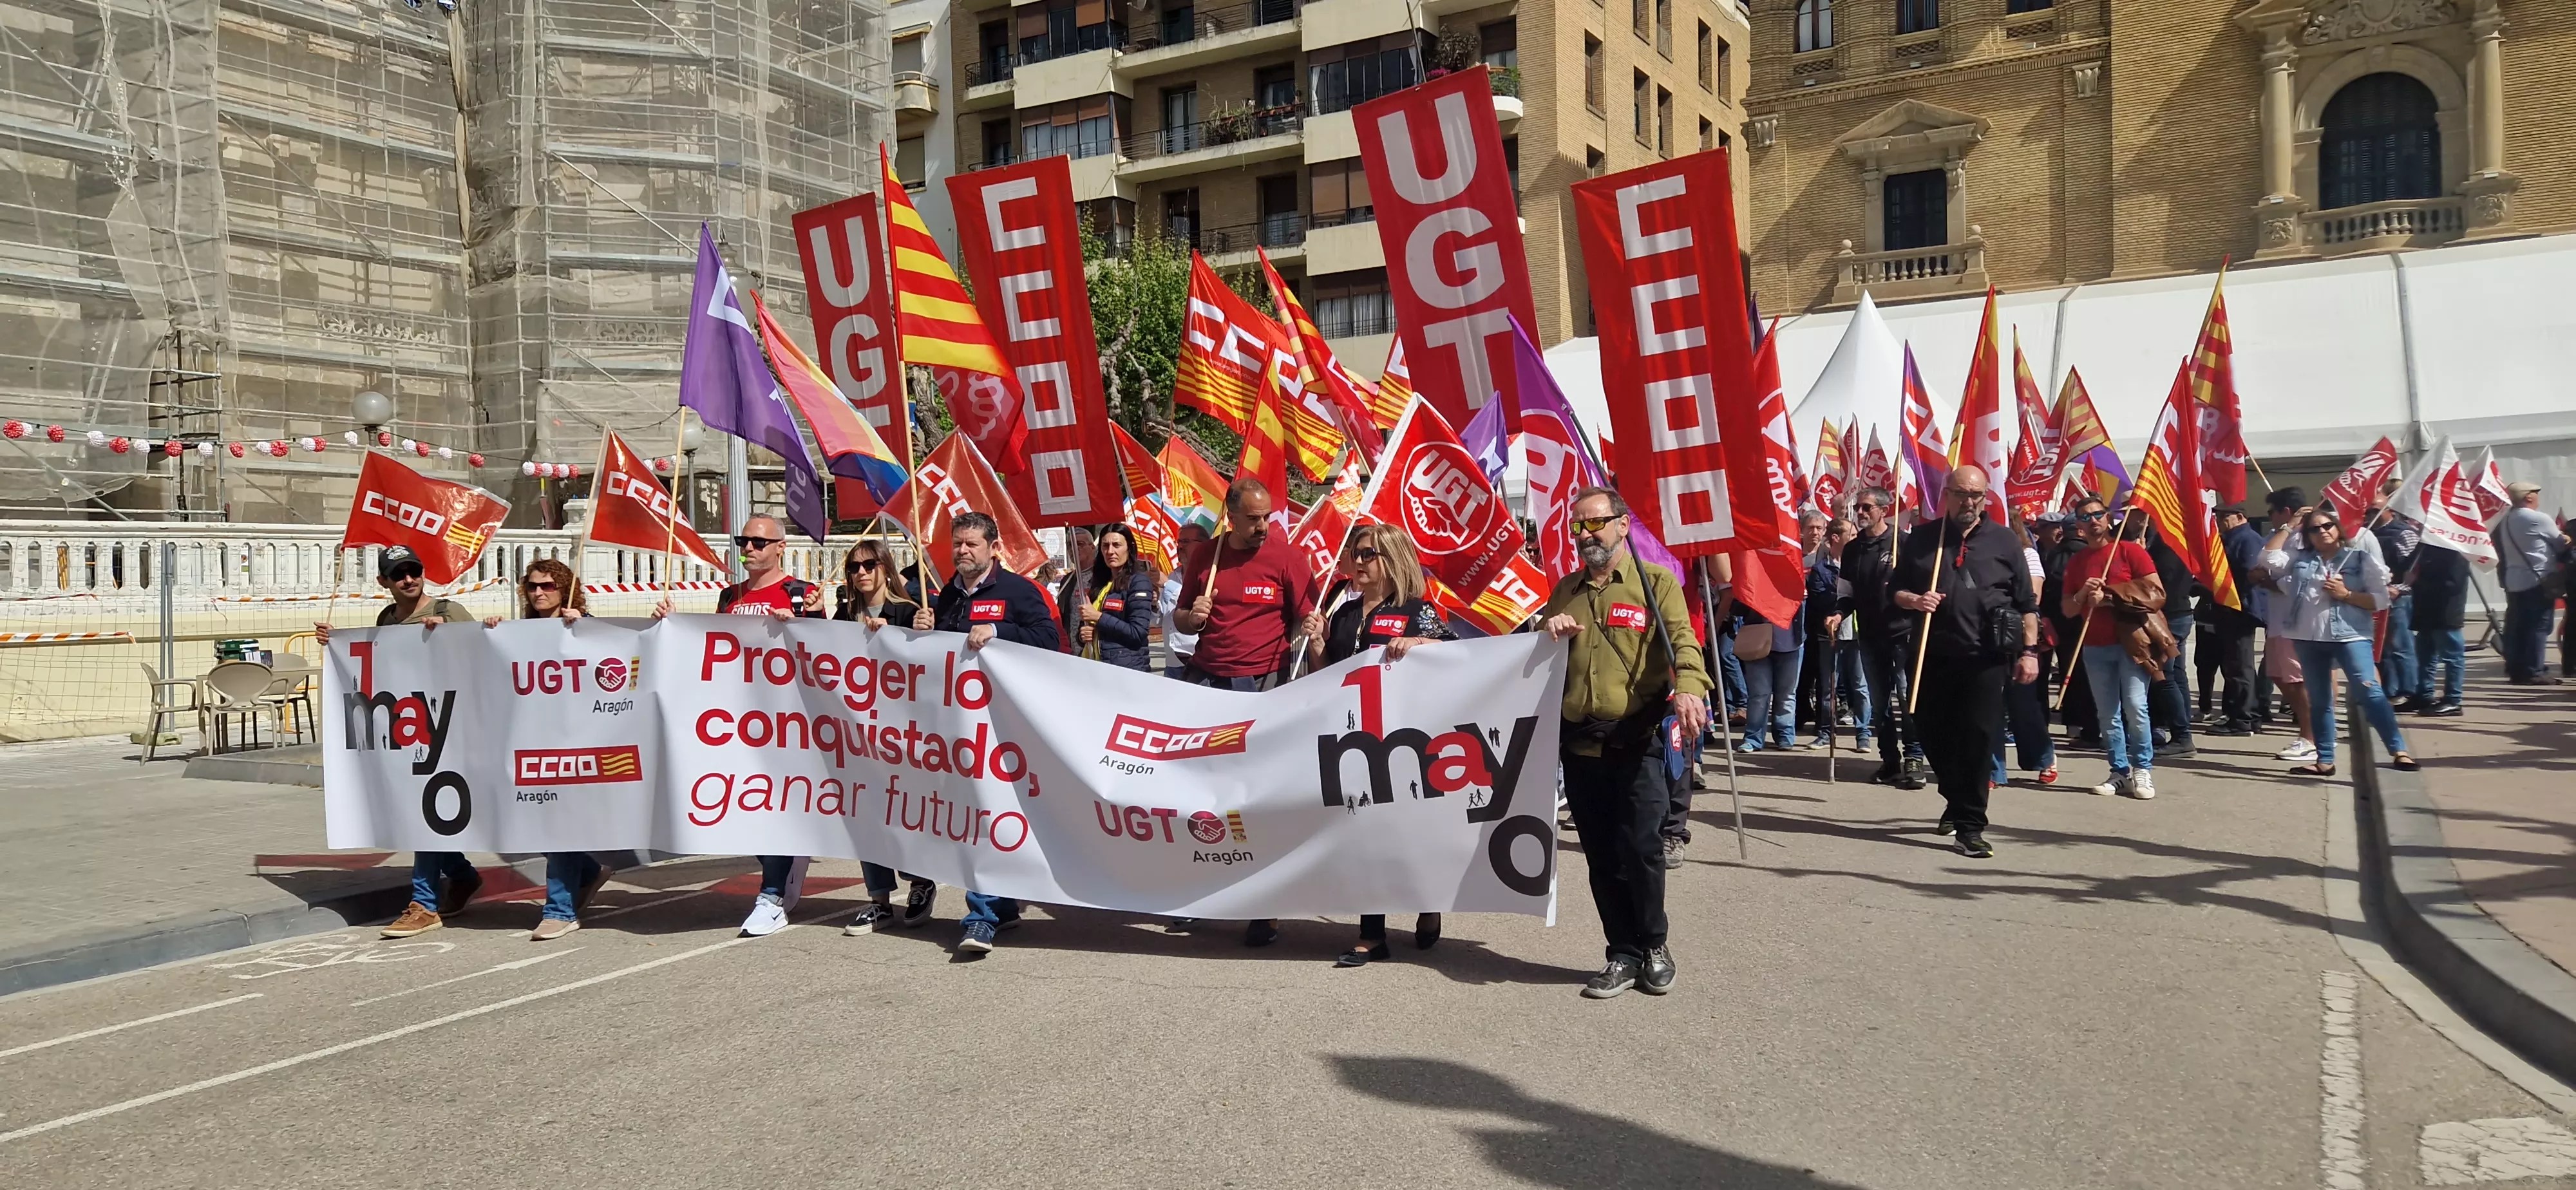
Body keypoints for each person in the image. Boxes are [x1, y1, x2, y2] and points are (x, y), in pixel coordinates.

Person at [1542, 486, 1710, 998]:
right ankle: (1622, 953)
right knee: (1600, 856)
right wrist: (1545, 627)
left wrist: (1689, 687)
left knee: (1641, 850)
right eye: (1578, 527)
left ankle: (1654, 944)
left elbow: (1684, 642)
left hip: (1636, 740)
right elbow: (1533, 656)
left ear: (1622, 524)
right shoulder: (1566, 589)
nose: (1587, 535)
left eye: (1596, 523)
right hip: (1580, 745)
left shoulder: (1655, 582)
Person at [654, 514, 824, 938]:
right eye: (743, 540)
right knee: (742, 806)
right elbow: (714, 647)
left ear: (781, 547)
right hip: (737, 721)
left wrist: (814, 620)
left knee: (772, 806)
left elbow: (828, 654)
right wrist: (671, 624)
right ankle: (781, 866)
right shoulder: (730, 595)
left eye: (759, 542)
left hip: (787, 722)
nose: (748, 549)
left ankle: (771, 897)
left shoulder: (802, 594)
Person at [1297, 524, 1454, 967]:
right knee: (1366, 835)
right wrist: (1318, 643)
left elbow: (1457, 656)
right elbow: (1324, 675)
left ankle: (1429, 902)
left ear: (1391, 559)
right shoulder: (1344, 614)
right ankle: (1371, 934)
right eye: (1355, 553)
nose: (1358, 562)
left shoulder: (1414, 609)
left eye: (1368, 554)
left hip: (1405, 742)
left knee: (1409, 835)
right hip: (1355, 744)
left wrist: (1420, 642)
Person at [1173, 477, 1316, 947]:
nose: (1262, 527)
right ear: (1231, 517)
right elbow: (1179, 617)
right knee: (1204, 796)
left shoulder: (1288, 558)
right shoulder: (1206, 557)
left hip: (1261, 687)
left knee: (1256, 801)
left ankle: (1265, 906)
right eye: (1253, 519)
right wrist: (1191, 618)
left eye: (1267, 517)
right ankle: (1200, 894)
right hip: (1207, 685)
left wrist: (1313, 626)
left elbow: (1308, 617)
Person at [318, 546, 485, 939]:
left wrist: (451, 640)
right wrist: (336, 641)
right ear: (384, 582)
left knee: (425, 815)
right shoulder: (386, 620)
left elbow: (482, 657)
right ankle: (462, 876)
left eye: (414, 571)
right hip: (406, 729)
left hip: (449, 727)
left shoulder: (448, 613)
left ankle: (424, 904)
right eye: (399, 575)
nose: (408, 579)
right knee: (417, 813)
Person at [917, 511, 1061, 953]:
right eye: (957, 543)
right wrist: (924, 629)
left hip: (1002, 727)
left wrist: (999, 630)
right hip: (958, 727)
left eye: (972, 544)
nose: (962, 551)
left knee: (987, 812)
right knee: (975, 814)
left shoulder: (1019, 591)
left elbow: (1048, 639)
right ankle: (1002, 908)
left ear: (993, 547)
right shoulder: (946, 595)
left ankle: (980, 915)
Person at [1890, 467, 2040, 858]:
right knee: (1930, 731)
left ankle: (1970, 825)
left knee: (1976, 738)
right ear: (1947, 496)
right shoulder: (1925, 538)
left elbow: (2026, 603)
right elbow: (1895, 591)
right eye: (1961, 494)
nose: (1969, 503)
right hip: (1931, 654)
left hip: (1985, 656)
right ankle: (1955, 798)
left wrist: (2029, 652)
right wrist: (1915, 600)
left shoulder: (2005, 541)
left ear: (1985, 497)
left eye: (1977, 495)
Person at [475, 558, 616, 941]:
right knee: (540, 826)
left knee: (559, 827)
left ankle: (559, 910)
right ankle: (586, 873)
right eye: (533, 586)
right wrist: (492, 635)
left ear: (566, 589)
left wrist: (584, 627)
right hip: (531, 743)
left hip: (575, 743)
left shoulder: (584, 627)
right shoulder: (520, 632)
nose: (539, 593)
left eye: (548, 587)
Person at [831, 539, 940, 935]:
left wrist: (906, 632)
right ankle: (878, 899)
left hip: (901, 734)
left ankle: (920, 879)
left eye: (869, 565)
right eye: (854, 567)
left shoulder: (911, 611)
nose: (861, 572)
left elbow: (931, 668)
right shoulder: (843, 616)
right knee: (865, 813)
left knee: (902, 809)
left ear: (885, 567)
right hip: (856, 733)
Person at [2263, 508, 2418, 775]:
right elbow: (2267, 558)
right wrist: (2291, 524)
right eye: (2315, 529)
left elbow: (2379, 600)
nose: (2323, 532)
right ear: (2307, 535)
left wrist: (2346, 594)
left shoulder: (2358, 559)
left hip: (2350, 635)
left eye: (2328, 526)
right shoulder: (2300, 560)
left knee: (2369, 690)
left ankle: (2399, 751)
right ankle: (2325, 760)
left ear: (2338, 529)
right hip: (2307, 637)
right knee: (2320, 700)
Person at [2061, 498, 2161, 800]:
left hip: (2130, 641)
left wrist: (2109, 597)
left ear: (2108, 518)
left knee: (2136, 707)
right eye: (2085, 517)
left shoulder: (2130, 550)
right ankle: (2119, 771)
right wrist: (2082, 595)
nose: (2093, 521)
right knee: (2108, 714)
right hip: (2094, 644)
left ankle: (2142, 768)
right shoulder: (2077, 562)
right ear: (2078, 525)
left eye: (2098, 515)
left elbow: (2156, 592)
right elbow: (2067, 609)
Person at [1837, 487, 1926, 789]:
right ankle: (1890, 760)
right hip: (1870, 635)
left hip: (1903, 633)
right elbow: (1846, 592)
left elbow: (1922, 584)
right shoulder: (1852, 549)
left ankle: (1914, 758)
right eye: (1858, 508)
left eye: (1867, 508)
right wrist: (1838, 614)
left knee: (1907, 698)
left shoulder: (1904, 542)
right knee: (1879, 703)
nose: (1860, 513)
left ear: (1883, 511)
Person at [1993, 515, 2058, 788]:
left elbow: (2033, 596)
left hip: (2018, 636)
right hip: (1984, 636)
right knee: (1990, 706)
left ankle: (2043, 757)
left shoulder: (2028, 554)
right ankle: (1993, 770)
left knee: (2023, 705)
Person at [2253, 489, 2317, 762]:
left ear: (2287, 512)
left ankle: (2311, 738)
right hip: (2278, 621)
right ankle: (2310, 733)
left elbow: (2306, 577)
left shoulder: (2306, 537)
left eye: (2272, 513)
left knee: (2299, 681)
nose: (2270, 518)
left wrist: (2269, 582)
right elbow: (2266, 560)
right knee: (2279, 677)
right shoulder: (2285, 536)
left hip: (2298, 621)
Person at [2202, 505, 2264, 735]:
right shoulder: (2231, 538)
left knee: (2239, 667)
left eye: (2223, 517)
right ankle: (2248, 714)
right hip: (2229, 609)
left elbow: (2249, 573)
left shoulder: (2246, 539)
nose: (2219, 521)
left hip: (2239, 609)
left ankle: (2243, 719)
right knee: (2237, 665)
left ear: (2240, 517)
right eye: (2217, 516)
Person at [1063, 524, 1159, 671]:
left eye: (1117, 545)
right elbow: (1089, 627)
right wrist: (1083, 635)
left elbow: (1138, 632)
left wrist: (1099, 618)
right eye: (1105, 546)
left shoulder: (1138, 582)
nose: (1110, 551)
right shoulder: (1100, 584)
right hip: (1099, 666)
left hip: (1128, 669)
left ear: (1129, 548)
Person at [2496, 482, 2564, 685]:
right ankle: (2534, 670)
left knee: (2519, 627)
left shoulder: (2506, 519)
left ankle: (2517, 669)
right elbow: (2559, 543)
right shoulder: (2538, 518)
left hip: (2515, 580)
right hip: (2537, 579)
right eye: (2536, 492)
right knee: (2538, 627)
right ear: (2529, 497)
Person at [2139, 525, 2197, 760]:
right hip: (2177, 614)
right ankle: (2181, 728)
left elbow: (2162, 586)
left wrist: (2144, 559)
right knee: (2176, 673)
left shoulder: (2166, 547)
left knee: (2164, 676)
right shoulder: (2174, 542)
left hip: (2170, 616)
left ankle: (2182, 736)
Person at [2407, 536, 2470, 716]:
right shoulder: (2425, 547)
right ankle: (2424, 694)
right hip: (2425, 611)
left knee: (2452, 657)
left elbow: (2453, 584)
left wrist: (2418, 582)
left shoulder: (2455, 551)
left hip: (2445, 612)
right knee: (2425, 656)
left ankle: (2453, 699)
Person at [2370, 498, 2422, 704]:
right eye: (2367, 512)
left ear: (2389, 509)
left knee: (2401, 646)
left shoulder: (2404, 533)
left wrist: (2398, 589)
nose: (2369, 515)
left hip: (2399, 598)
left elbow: (2414, 570)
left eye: (2374, 510)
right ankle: (2389, 691)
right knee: (2383, 649)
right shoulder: (2368, 533)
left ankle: (2408, 690)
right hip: (2377, 599)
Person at [1159, 522, 1211, 678]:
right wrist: (1154, 603)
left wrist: (1168, 586)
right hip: (1173, 662)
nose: (1180, 547)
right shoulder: (1172, 575)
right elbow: (1159, 619)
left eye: (1186, 542)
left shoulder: (1210, 575)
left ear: (1203, 545)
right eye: (1179, 542)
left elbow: (1196, 604)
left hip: (1198, 661)